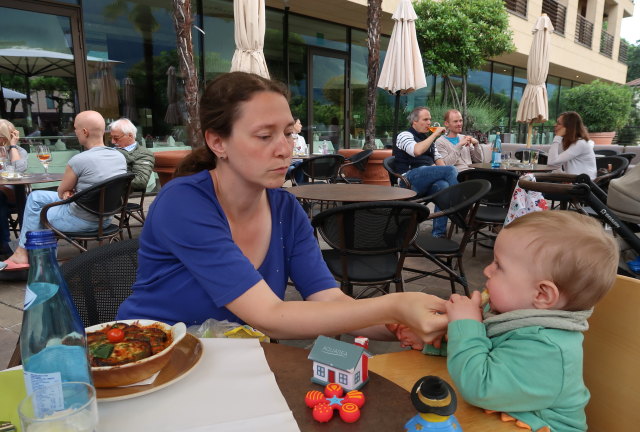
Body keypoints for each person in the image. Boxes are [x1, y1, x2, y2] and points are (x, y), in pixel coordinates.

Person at [116, 72, 448, 345]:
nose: (284, 149)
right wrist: (395, 305)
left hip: (237, 368)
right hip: (152, 361)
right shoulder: (184, 202)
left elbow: (329, 301)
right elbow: (270, 316)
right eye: (264, 135)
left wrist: (400, 326)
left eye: (288, 133)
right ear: (218, 142)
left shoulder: (285, 209)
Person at [444, 210, 619, 432]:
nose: (486, 270)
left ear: (541, 295)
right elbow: (482, 348)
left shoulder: (548, 348)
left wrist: (465, 325)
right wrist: (437, 339)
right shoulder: (513, 312)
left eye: (498, 266)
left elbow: (480, 385)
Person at [0, 111, 127, 271]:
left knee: (37, 215)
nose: (74, 131)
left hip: (81, 221)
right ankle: (25, 252)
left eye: (75, 128)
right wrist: (74, 189)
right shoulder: (119, 156)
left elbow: (61, 192)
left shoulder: (79, 160)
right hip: (106, 218)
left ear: (85, 132)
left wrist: (69, 190)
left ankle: (32, 259)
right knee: (35, 197)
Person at [393, 107, 459, 237]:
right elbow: (416, 151)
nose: (429, 122)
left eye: (430, 119)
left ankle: (438, 234)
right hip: (408, 179)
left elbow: (440, 164)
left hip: (425, 179)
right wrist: (434, 134)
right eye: (425, 119)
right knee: (451, 169)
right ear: (415, 122)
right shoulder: (404, 135)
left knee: (443, 187)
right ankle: (459, 211)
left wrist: (441, 170)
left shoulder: (428, 141)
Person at [0, 119, 28, 257]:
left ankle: (22, 244)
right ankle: (4, 245)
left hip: (16, 194)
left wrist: (12, 146)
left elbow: (20, 170)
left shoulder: (19, 151)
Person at [108, 118, 155, 192]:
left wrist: (108, 181)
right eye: (111, 138)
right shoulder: (110, 150)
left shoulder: (143, 153)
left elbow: (141, 181)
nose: (113, 141)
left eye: (116, 138)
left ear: (130, 136)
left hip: (120, 196)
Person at [547, 111, 597, 179]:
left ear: (568, 128)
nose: (555, 125)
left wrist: (557, 137)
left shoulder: (580, 143)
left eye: (558, 123)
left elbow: (551, 162)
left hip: (584, 184)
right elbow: (553, 165)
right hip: (572, 181)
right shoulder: (565, 142)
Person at [287, 116, 306, 184]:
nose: (301, 125)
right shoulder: (286, 138)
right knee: (297, 167)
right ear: (293, 125)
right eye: (299, 123)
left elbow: (304, 153)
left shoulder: (301, 138)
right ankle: (299, 188)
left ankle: (297, 187)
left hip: (298, 164)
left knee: (299, 165)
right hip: (288, 164)